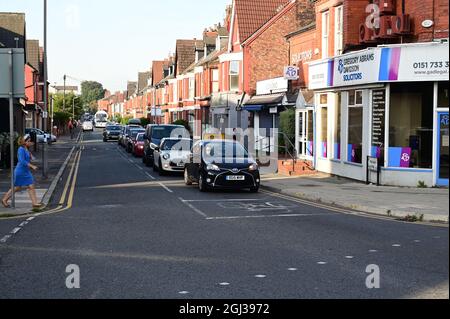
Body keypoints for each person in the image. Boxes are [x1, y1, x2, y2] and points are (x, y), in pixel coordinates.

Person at [1, 135, 43, 209]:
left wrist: (31, 156)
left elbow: (32, 158)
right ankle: (4, 199)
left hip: (26, 171)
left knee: (31, 186)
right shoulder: (21, 149)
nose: (29, 142)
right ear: (24, 141)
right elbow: (21, 160)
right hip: (20, 171)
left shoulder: (27, 149)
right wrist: (32, 166)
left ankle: (34, 203)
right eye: (28, 141)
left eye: (30, 141)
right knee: (17, 187)